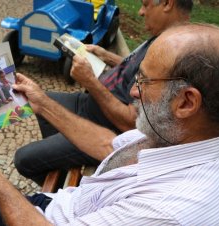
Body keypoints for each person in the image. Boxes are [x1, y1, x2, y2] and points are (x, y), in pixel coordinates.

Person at [0, 23, 219, 225]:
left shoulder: (171, 208)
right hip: (67, 205)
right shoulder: (181, 132)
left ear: (186, 102)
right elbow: (107, 144)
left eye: (144, 81)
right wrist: (42, 103)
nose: (134, 91)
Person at [14, 0, 193, 185]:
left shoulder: (172, 53)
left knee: (23, 159)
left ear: (166, 3)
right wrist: (106, 56)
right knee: (40, 101)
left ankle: (65, 190)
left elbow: (130, 122)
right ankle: (61, 157)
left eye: (146, 5)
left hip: (104, 127)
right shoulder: (164, 37)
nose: (140, 12)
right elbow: (133, 68)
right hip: (91, 105)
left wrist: (90, 81)